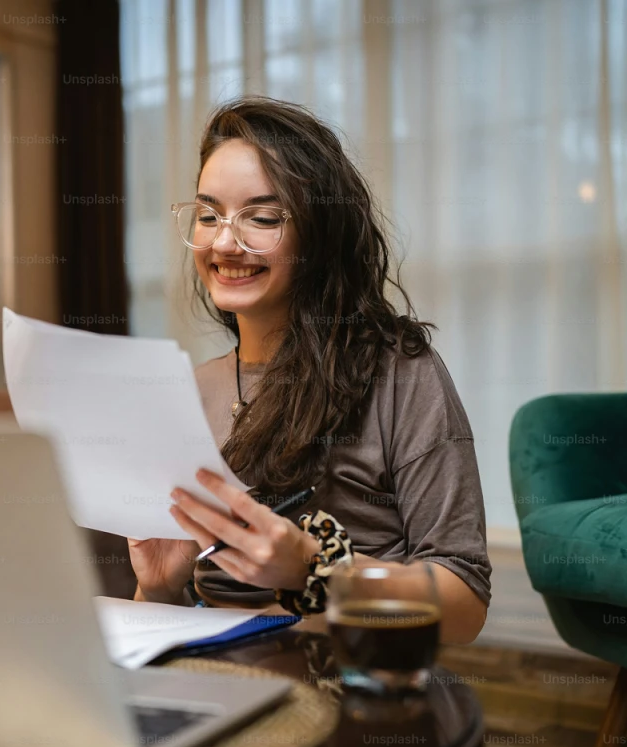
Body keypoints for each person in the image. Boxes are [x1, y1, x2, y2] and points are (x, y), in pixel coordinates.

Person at [128, 96, 490, 644]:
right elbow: (170, 620)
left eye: (263, 218)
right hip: (217, 683)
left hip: (345, 683)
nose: (225, 242)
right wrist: (158, 588)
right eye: (208, 215)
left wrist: (317, 569)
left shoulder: (398, 373)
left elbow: (465, 602)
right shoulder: (189, 391)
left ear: (318, 235)